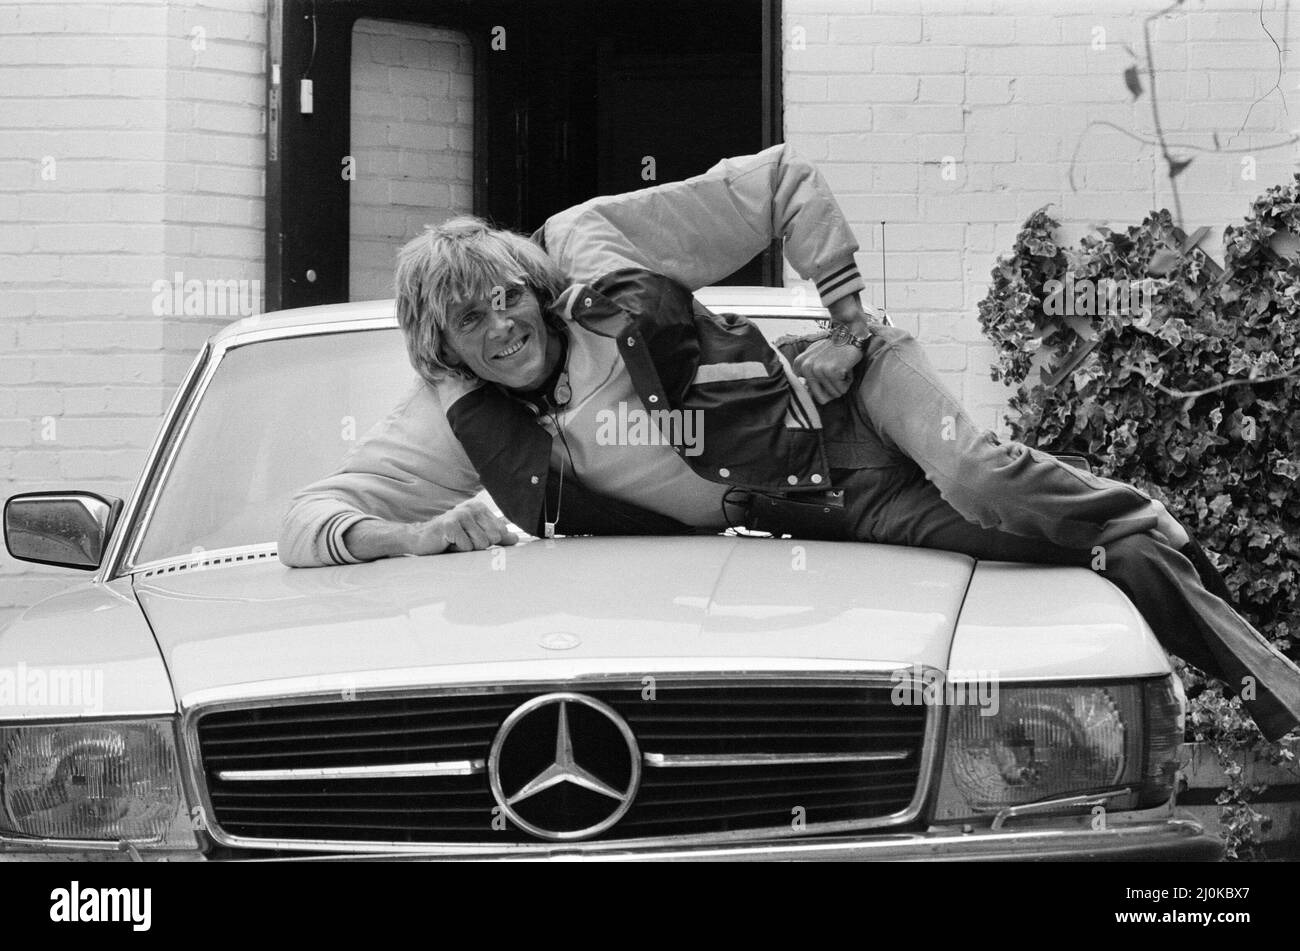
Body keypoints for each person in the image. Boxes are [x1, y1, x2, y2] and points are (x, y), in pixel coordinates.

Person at [278, 144, 1300, 741]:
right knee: (1096, 559)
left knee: (983, 476)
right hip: (830, 503)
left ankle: (1133, 504)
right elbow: (311, 522)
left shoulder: (588, 247)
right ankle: (1277, 702)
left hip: (858, 391)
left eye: (507, 298)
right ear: (439, 346)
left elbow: (779, 183)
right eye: (471, 322)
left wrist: (846, 316)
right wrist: (408, 543)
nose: (503, 326)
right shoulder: (461, 421)